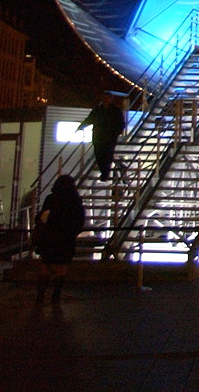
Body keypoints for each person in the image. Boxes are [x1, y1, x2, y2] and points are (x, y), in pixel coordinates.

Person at [34, 175, 86, 304]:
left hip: (49, 237)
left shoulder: (51, 199)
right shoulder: (75, 201)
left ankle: (40, 295)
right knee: (61, 268)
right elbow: (80, 221)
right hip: (65, 239)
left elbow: (41, 217)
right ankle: (56, 296)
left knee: (45, 266)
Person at [80, 92, 126, 181]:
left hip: (108, 137)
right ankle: (105, 173)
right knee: (100, 156)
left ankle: (105, 174)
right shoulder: (101, 110)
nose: (105, 99)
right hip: (101, 136)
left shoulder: (112, 110)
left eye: (107, 98)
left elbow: (121, 123)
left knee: (106, 155)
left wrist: (117, 132)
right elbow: (90, 119)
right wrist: (82, 126)